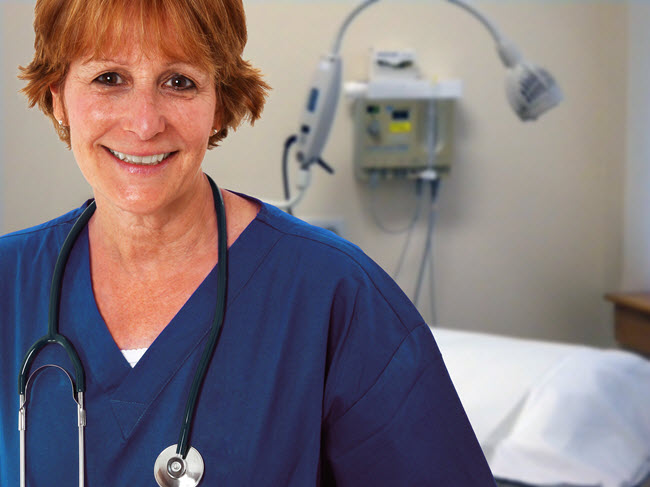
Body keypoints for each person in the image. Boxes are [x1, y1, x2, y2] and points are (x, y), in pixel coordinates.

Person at [0, 0, 496, 485]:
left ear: (220, 104)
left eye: (180, 82)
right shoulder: (8, 282)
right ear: (56, 96)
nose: (144, 122)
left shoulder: (333, 294)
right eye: (109, 78)